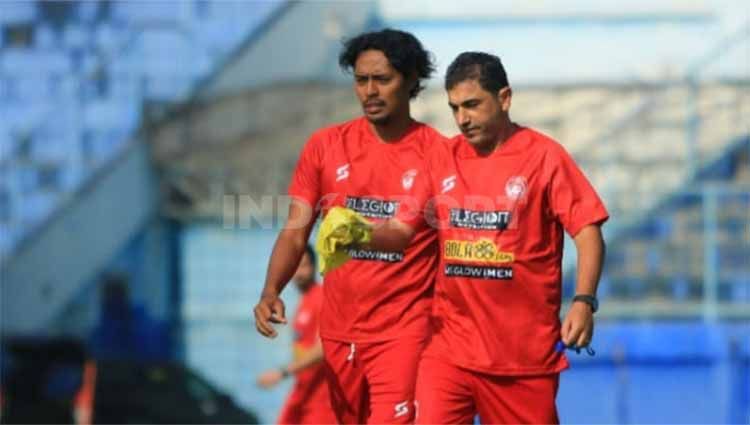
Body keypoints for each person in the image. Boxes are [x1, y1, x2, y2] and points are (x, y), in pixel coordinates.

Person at [321, 51, 609, 424]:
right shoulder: (443, 158)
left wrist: (584, 301)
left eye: (472, 105)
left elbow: (587, 230)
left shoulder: (544, 157)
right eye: (454, 108)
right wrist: (354, 233)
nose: (462, 119)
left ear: (504, 98)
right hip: (449, 350)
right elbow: (401, 232)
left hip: (520, 358)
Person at [253, 28, 445, 424]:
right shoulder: (325, 146)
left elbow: (402, 237)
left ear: (410, 80)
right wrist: (271, 289)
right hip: (339, 334)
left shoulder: (437, 154)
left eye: (382, 79)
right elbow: (295, 230)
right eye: (361, 80)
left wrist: (353, 230)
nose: (370, 91)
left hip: (405, 333)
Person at [256, 245, 336, 425]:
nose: (299, 272)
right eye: (295, 267)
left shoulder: (321, 297)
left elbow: (324, 346)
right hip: (303, 390)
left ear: (314, 267)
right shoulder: (304, 301)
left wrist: (283, 372)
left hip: (322, 396)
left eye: (305, 266)